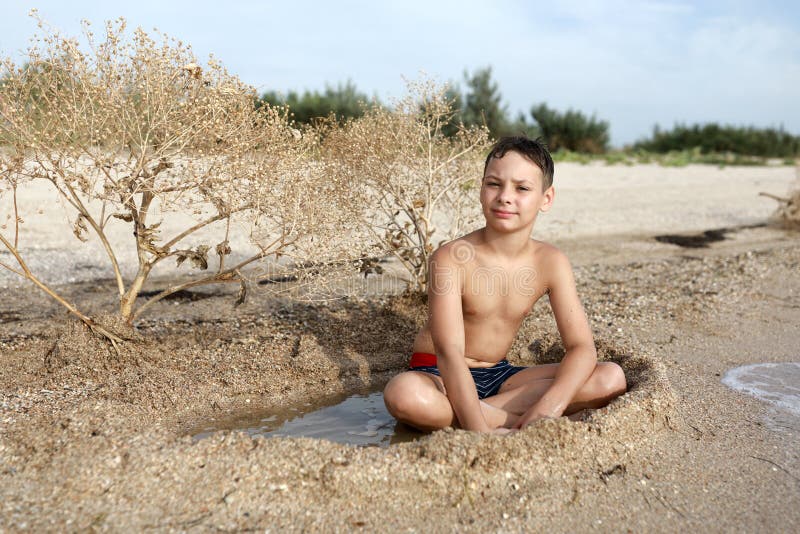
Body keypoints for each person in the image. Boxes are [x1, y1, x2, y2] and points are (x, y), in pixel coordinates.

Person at [383, 136, 627, 433]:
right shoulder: (451, 258)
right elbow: (448, 352)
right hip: (438, 374)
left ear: (546, 199)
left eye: (522, 188)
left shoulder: (551, 261)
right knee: (404, 395)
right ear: (481, 189)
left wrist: (549, 407)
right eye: (494, 184)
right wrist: (481, 434)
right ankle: (505, 421)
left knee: (610, 378)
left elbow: (581, 348)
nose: (505, 197)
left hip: (500, 377)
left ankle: (499, 415)